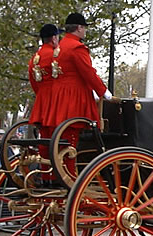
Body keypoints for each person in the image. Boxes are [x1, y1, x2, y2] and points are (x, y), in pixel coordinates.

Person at [48, 12, 112, 177]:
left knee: (62, 140)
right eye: (84, 28)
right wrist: (103, 91)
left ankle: (56, 175)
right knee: (71, 139)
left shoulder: (60, 47)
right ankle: (69, 176)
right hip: (73, 98)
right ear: (79, 28)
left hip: (58, 97)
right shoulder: (77, 47)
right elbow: (88, 73)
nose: (85, 32)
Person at [28, 24, 62, 183]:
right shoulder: (56, 55)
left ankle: (46, 177)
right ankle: (58, 178)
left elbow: (34, 83)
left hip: (41, 104)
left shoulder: (35, 58)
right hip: (56, 103)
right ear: (54, 38)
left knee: (44, 144)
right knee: (59, 143)